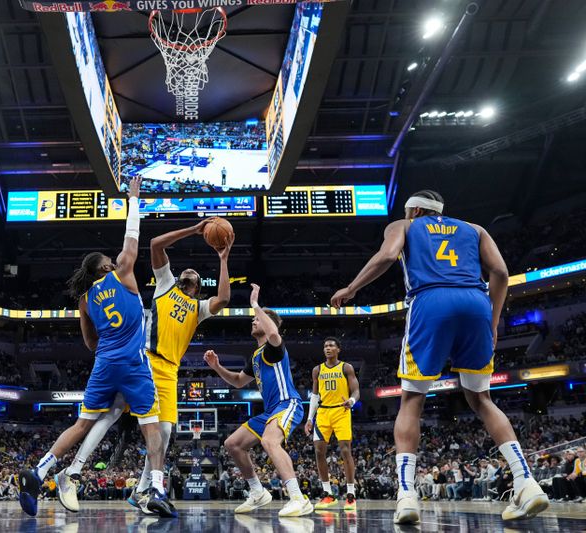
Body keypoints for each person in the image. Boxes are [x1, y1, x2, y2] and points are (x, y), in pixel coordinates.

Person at [331, 190, 548, 524]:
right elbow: (501, 273)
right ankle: (526, 482)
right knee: (481, 399)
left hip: (430, 301)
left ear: (415, 210)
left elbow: (388, 256)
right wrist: (492, 321)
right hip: (475, 302)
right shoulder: (474, 229)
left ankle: (406, 495)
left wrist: (352, 288)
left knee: (411, 399)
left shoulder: (404, 225)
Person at [18, 177, 176, 519]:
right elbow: (132, 236)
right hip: (134, 364)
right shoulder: (123, 272)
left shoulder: (86, 300)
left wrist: (109, 343)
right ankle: (158, 487)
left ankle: (40, 471)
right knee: (153, 428)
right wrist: (134, 200)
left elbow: (90, 342)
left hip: (104, 364)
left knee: (82, 425)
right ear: (107, 266)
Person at [55, 219, 232, 512]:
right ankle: (73, 471)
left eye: (193, 276)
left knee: (162, 436)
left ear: (198, 286)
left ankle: (140, 492)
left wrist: (223, 259)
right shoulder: (165, 284)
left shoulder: (199, 309)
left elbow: (224, 298)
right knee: (111, 412)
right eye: (184, 273)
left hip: (170, 373)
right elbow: (156, 245)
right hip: (145, 360)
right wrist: (194, 229)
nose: (188, 274)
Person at [204, 284, 312, 517]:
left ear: (267, 323)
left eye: (256, 319)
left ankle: (298, 498)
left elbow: (273, 333)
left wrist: (255, 304)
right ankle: (258, 492)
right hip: (270, 411)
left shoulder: (274, 348)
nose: (253, 322)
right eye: (253, 319)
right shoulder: (256, 355)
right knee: (232, 444)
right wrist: (217, 367)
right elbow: (238, 381)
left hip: (287, 403)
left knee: (270, 442)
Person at [304, 337, 360, 511]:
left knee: (345, 450)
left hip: (341, 411)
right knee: (319, 452)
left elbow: (356, 390)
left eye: (331, 346)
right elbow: (314, 395)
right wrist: (309, 418)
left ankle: (351, 495)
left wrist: (351, 401)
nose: (327, 348)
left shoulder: (346, 367)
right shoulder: (317, 370)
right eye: (325, 345)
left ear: (338, 349)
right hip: (323, 413)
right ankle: (328, 494)